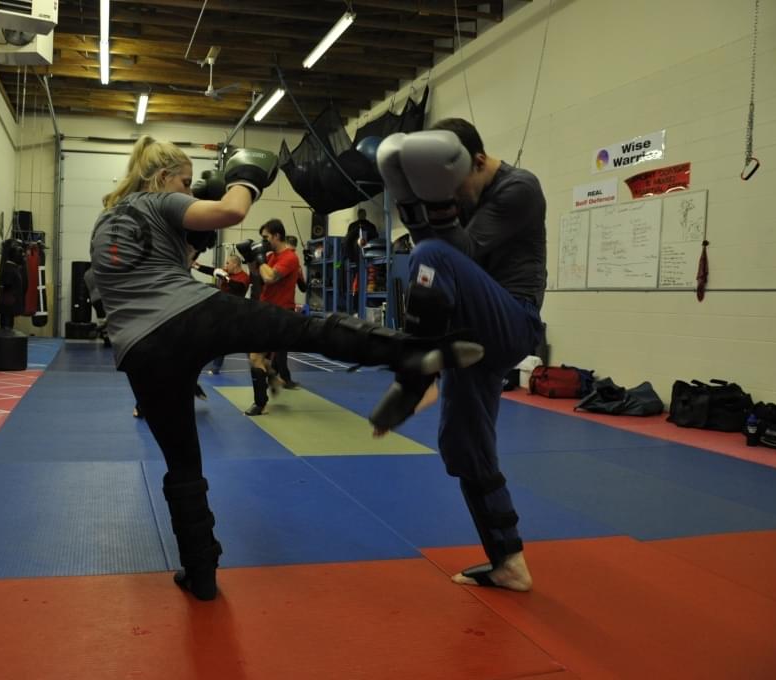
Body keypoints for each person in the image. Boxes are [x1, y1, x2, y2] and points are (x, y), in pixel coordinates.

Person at [88, 135, 482, 601]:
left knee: (182, 464)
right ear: (161, 178)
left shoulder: (104, 222)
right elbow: (232, 212)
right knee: (301, 331)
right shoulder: (158, 199)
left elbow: (122, 284)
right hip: (188, 314)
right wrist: (245, 179)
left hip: (139, 351)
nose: (190, 193)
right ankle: (409, 353)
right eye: (186, 182)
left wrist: (189, 246)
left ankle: (200, 573)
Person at [371, 119, 546, 592]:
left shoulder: (519, 188)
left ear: (480, 161)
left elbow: (458, 252)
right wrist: (410, 198)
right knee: (463, 449)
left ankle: (417, 374)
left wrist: (433, 212)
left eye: (457, 184)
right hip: (470, 338)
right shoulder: (467, 192)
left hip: (514, 321)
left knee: (432, 253)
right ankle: (508, 562)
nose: (456, 196)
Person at [244, 219, 302, 415]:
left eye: (266, 237)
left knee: (254, 357)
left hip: (278, 314)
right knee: (264, 361)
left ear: (277, 236)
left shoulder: (290, 257)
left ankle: (260, 404)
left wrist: (260, 258)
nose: (265, 242)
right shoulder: (273, 256)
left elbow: (270, 277)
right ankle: (275, 379)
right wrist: (251, 258)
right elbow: (259, 276)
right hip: (267, 311)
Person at [201, 254, 250, 375]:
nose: (225, 266)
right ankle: (214, 365)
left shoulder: (244, 277)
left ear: (235, 264)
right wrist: (196, 265)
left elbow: (238, 287)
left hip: (235, 314)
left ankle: (257, 362)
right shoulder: (227, 272)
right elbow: (212, 271)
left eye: (227, 263)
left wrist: (225, 278)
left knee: (235, 340)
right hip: (221, 311)